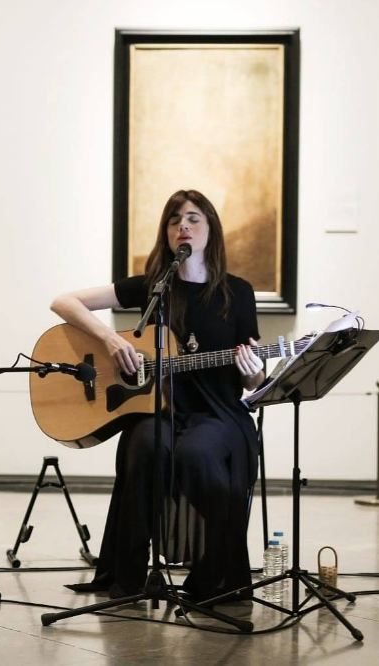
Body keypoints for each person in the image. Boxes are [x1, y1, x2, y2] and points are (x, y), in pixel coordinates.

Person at [51, 189, 265, 602]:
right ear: (166, 233)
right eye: (174, 220)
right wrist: (111, 339)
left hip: (217, 412)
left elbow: (254, 382)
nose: (183, 226)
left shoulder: (238, 292)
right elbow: (64, 302)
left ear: (211, 229)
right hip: (158, 409)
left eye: (193, 218)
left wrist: (253, 370)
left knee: (198, 454)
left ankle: (214, 576)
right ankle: (129, 576)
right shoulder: (154, 288)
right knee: (143, 446)